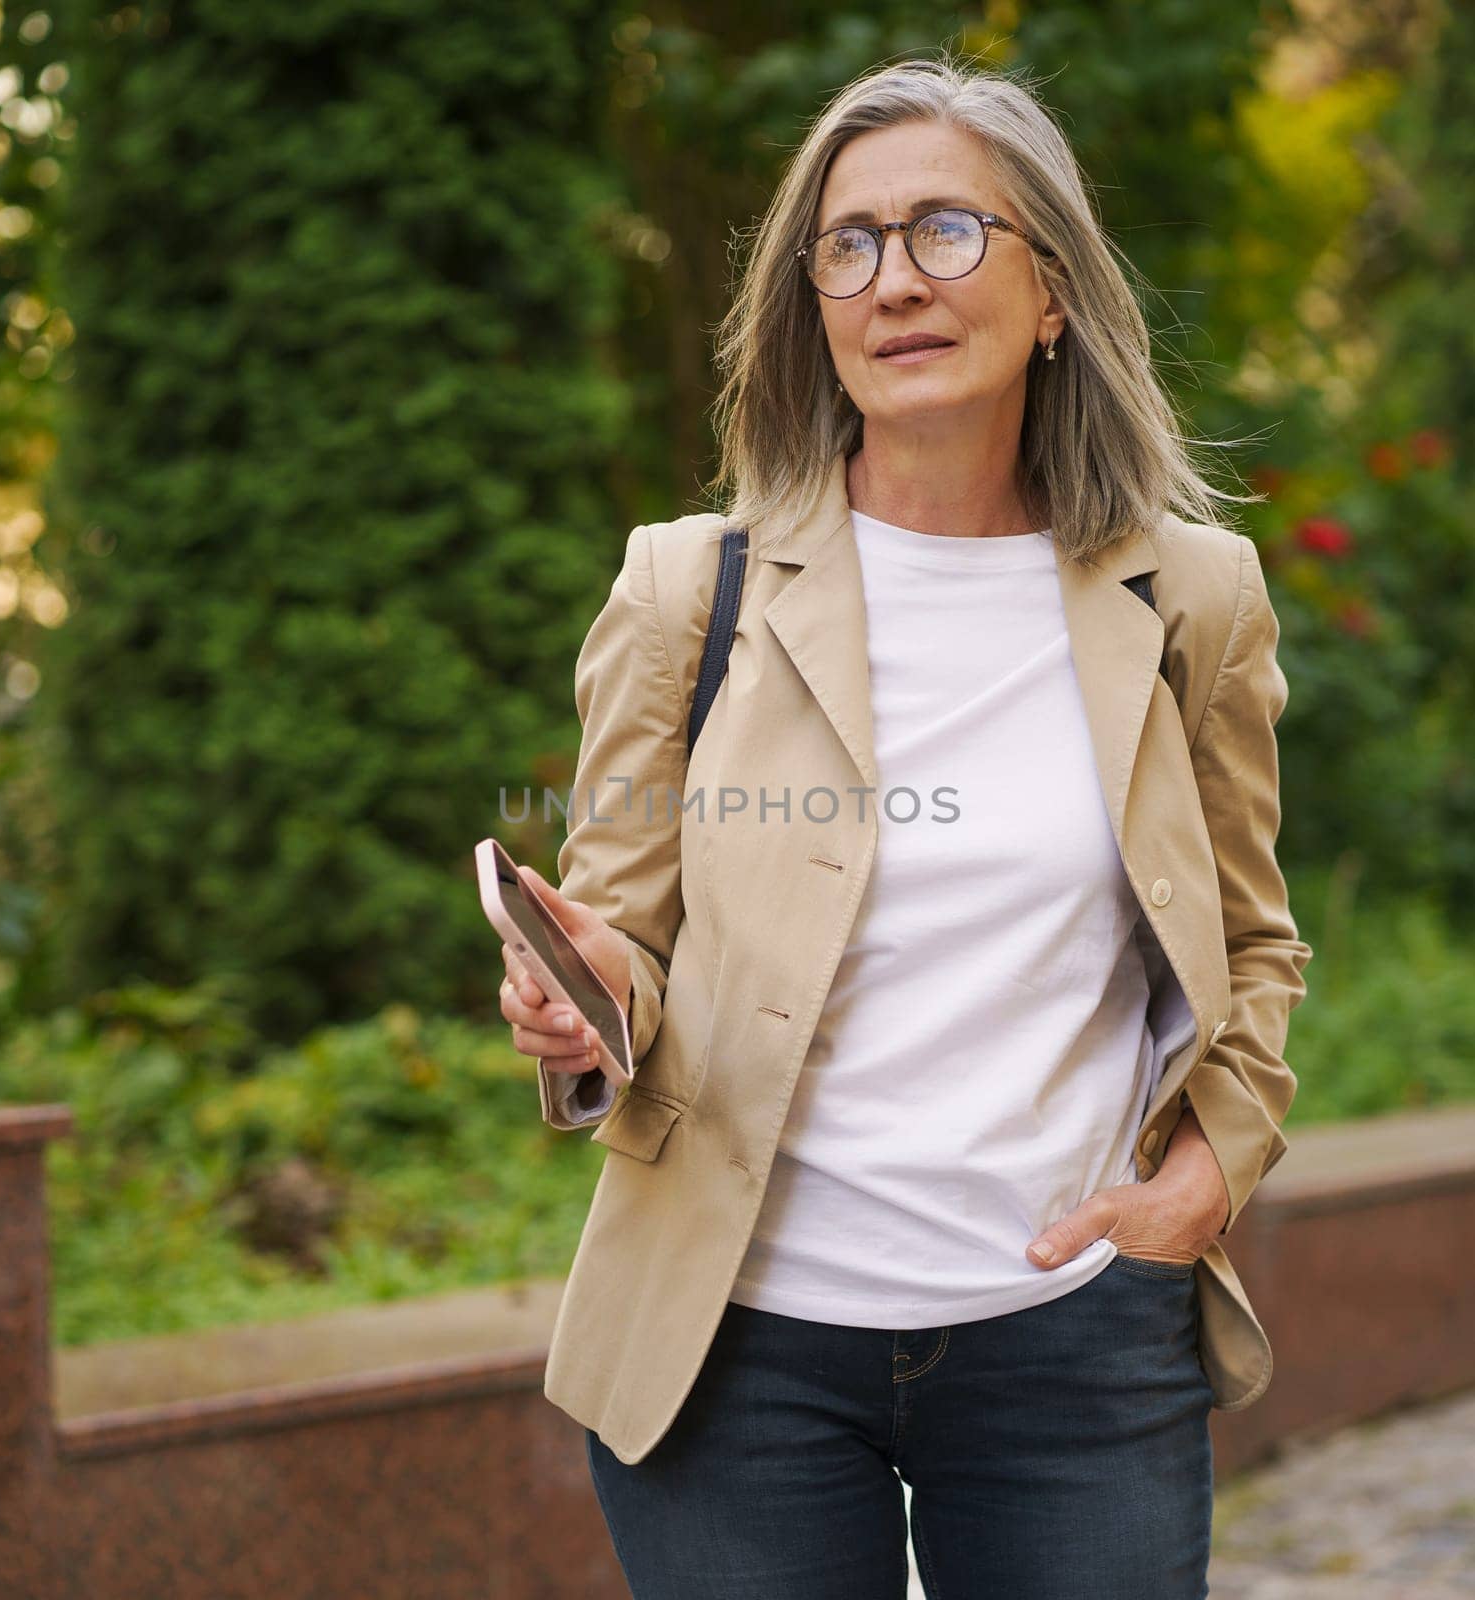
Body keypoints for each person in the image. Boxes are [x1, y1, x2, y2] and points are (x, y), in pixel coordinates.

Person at [497, 51, 1311, 1600]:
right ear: (814, 305)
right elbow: (626, 957)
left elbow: (1252, 941)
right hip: (732, 1353)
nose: (893, 281)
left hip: (1077, 1341)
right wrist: (580, 993)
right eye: (848, 245)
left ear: (1053, 290)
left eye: (946, 230)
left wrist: (1216, 1163)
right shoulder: (689, 591)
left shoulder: (1189, 600)